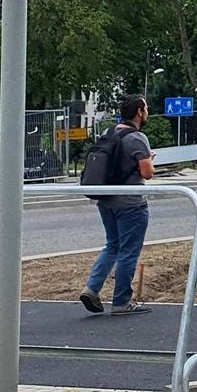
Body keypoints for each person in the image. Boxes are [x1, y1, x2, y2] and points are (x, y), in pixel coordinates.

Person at [79, 96, 155, 315]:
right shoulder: (138, 138)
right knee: (129, 252)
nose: (147, 112)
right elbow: (147, 173)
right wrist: (150, 159)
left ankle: (92, 288)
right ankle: (122, 301)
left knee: (112, 245)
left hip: (106, 199)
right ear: (140, 112)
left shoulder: (108, 133)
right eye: (146, 109)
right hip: (131, 203)